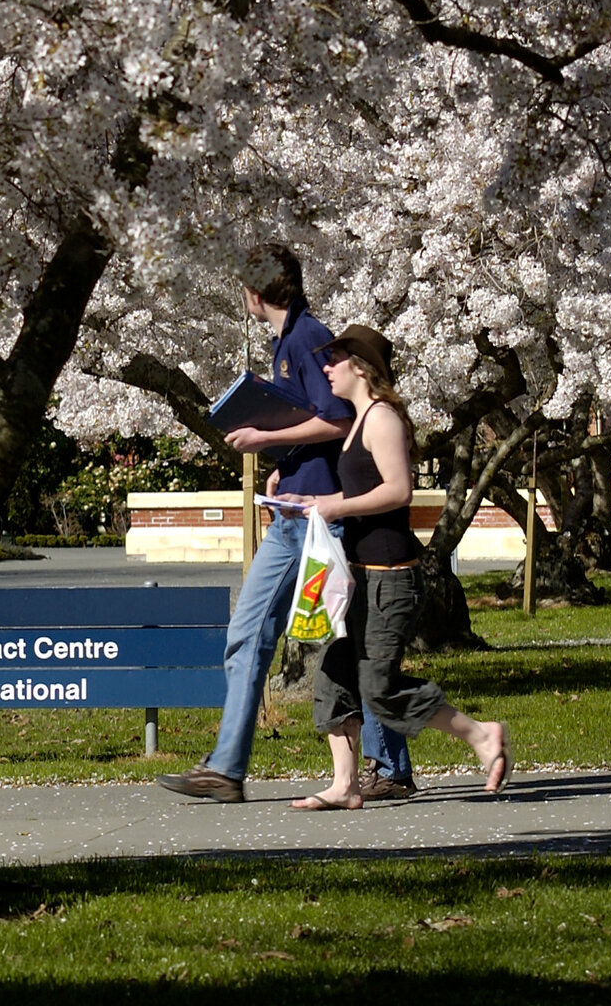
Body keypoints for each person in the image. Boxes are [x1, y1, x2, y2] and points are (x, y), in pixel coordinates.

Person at [157, 245, 417, 803]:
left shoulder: (304, 339)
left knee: (284, 638)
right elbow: (314, 422)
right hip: (299, 507)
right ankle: (379, 767)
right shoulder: (291, 340)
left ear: (253, 294)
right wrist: (283, 467)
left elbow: (340, 416)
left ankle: (238, 766)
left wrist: (265, 439)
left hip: (316, 520)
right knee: (301, 638)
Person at [287, 325, 512, 809]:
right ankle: (345, 786)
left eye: (336, 359)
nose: (326, 368)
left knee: (380, 689)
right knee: (333, 675)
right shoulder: (358, 422)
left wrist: (334, 509)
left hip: (391, 581)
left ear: (361, 367)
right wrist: (310, 501)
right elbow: (355, 491)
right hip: (361, 577)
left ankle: (481, 735)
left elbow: (398, 490)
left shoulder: (383, 419)